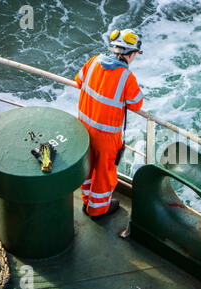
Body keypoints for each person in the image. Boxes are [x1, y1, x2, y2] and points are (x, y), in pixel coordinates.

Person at [75, 28, 144, 219]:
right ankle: (97, 210)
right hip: (106, 137)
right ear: (130, 54)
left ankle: (87, 201)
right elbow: (137, 103)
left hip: (83, 129)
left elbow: (78, 80)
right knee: (103, 175)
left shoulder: (94, 61)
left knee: (87, 167)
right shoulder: (126, 78)